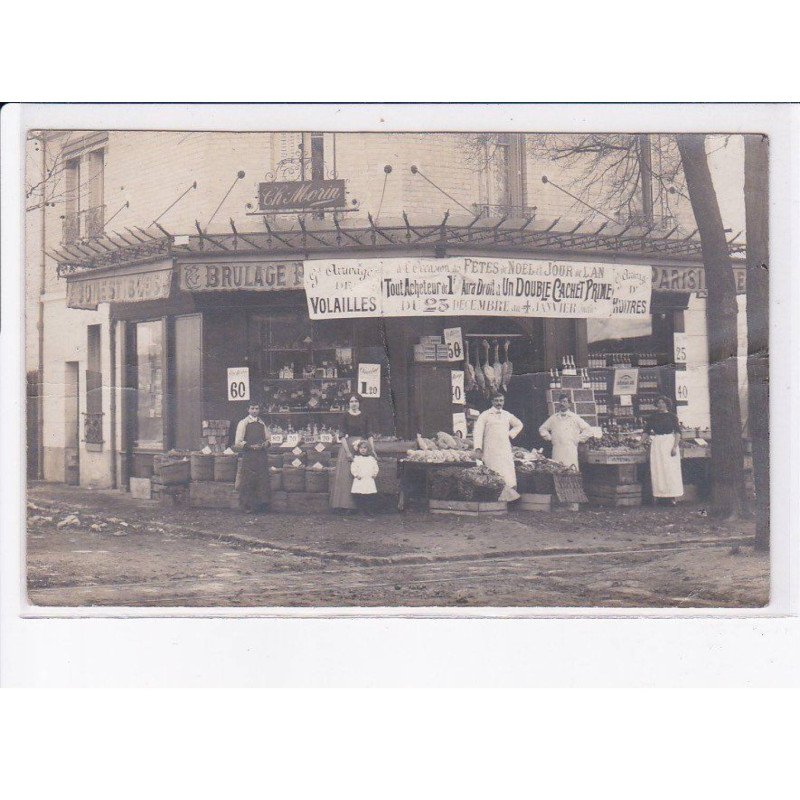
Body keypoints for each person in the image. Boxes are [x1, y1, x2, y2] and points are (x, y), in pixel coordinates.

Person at [473, 392, 524, 501]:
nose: (499, 403)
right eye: (496, 401)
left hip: (504, 448)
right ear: (492, 401)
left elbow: (519, 424)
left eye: (501, 400)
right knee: (493, 472)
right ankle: (495, 499)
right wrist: (478, 448)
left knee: (507, 472)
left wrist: (510, 434)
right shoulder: (485, 415)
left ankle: (509, 499)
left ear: (503, 402)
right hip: (490, 449)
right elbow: (478, 432)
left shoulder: (507, 414)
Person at [330, 395, 376, 511]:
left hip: (362, 446)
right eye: (351, 401)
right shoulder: (344, 416)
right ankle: (346, 506)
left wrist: (372, 449)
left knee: (362, 473)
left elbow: (369, 434)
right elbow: (342, 436)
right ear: (348, 403)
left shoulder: (365, 416)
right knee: (347, 475)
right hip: (348, 446)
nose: (354, 403)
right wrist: (347, 452)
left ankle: (361, 506)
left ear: (359, 403)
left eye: (356, 401)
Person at [643, 395, 683, 505]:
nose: (660, 405)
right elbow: (646, 431)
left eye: (663, 403)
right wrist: (640, 442)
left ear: (667, 404)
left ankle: (672, 496)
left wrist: (674, 447)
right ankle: (659, 495)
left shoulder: (672, 416)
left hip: (669, 443)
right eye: (659, 403)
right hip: (657, 444)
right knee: (658, 470)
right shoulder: (653, 417)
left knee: (670, 470)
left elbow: (678, 432)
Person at [538, 394, 594, 471]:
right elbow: (542, 429)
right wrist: (550, 438)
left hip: (570, 449)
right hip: (557, 449)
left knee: (571, 470)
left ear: (569, 404)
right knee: (557, 470)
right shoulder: (554, 418)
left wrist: (578, 439)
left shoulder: (575, 417)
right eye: (561, 401)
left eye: (565, 401)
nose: (562, 404)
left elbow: (588, 430)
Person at [233, 402, 271, 513]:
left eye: (257, 408)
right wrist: (250, 446)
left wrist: (266, 444)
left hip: (261, 455)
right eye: (252, 408)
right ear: (248, 410)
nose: (254, 411)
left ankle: (262, 506)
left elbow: (268, 438)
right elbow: (238, 442)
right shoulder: (243, 423)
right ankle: (248, 506)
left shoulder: (262, 423)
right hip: (249, 455)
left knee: (262, 480)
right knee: (248, 480)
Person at [350, 439, 380, 513]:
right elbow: (353, 467)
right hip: (360, 479)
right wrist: (356, 475)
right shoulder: (357, 459)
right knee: (360, 494)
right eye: (361, 448)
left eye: (364, 448)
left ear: (368, 449)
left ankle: (369, 510)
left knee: (369, 495)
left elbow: (375, 467)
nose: (363, 450)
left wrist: (374, 474)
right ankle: (361, 510)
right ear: (358, 449)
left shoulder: (371, 459)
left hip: (368, 479)